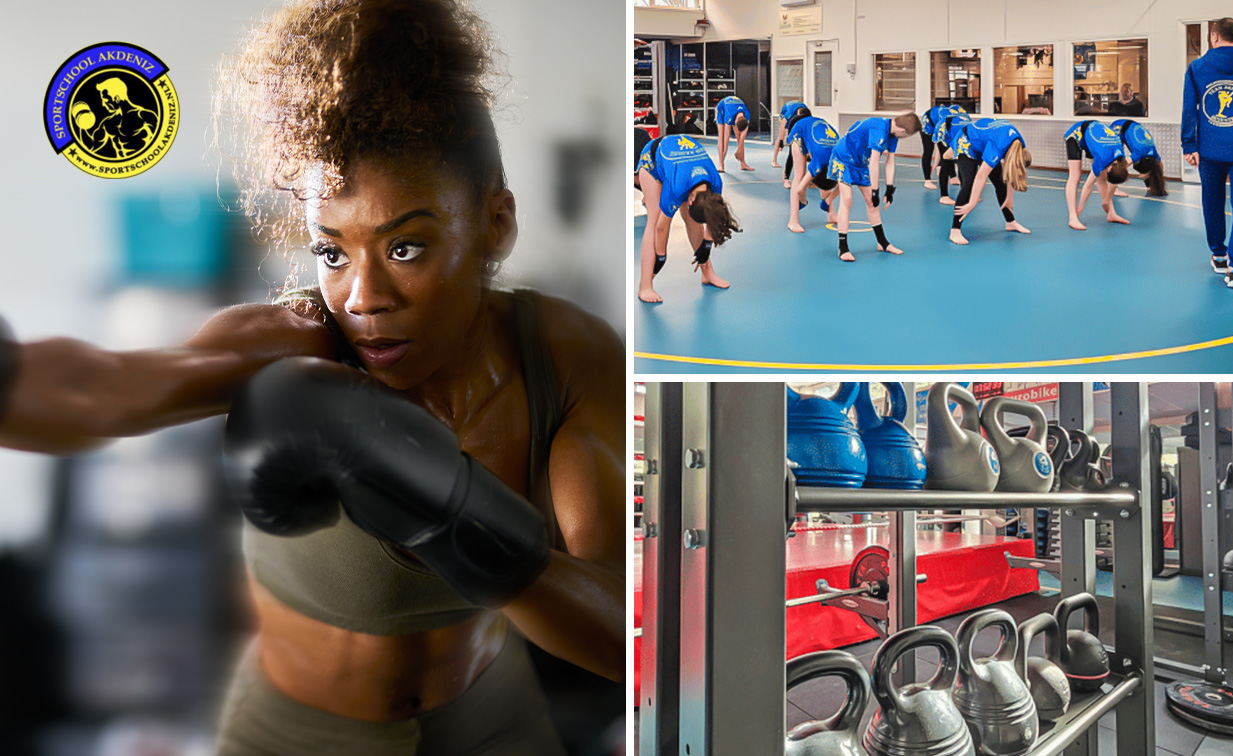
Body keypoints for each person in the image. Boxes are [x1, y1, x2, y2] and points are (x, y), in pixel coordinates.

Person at [1, 2, 625, 754]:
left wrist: (455, 512)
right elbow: (107, 386)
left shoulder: (564, 355)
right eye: (331, 253)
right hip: (299, 735)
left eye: (406, 248)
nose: (362, 297)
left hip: (490, 718)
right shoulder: (293, 346)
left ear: (495, 222)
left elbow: (625, 631)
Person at [1183, 17, 1233, 289]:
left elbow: (1190, 109)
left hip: (1211, 149)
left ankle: (1219, 255)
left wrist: (1188, 145)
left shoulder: (1197, 67)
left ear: (1214, 36)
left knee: (1212, 201)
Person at [637, 135, 739, 303]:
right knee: (654, 220)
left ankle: (707, 274)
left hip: (681, 162)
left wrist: (704, 249)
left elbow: (715, 218)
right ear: (689, 200)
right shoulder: (677, 188)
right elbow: (661, 228)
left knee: (692, 221)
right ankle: (645, 285)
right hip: (652, 160)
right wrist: (661, 257)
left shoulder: (715, 185)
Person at [826, 113, 921, 260]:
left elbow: (890, 162)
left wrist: (890, 188)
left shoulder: (893, 135)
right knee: (847, 200)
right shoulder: (879, 130)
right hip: (843, 159)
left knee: (872, 204)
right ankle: (843, 248)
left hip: (860, 163)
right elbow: (874, 163)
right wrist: (875, 191)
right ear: (902, 131)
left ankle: (882, 242)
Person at [947, 118, 1033, 245]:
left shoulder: (1019, 145)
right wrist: (972, 202)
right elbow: (981, 176)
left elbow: (1012, 171)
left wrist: (1009, 198)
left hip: (984, 144)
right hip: (967, 141)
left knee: (1000, 183)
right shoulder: (998, 147)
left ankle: (1010, 222)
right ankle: (955, 230)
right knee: (968, 185)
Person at [1063, 120, 1130, 230]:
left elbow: (1113, 183)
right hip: (1076, 134)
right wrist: (1080, 207)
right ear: (1110, 167)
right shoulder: (1103, 159)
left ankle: (1111, 213)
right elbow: (1088, 185)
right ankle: (1072, 217)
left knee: (1102, 177)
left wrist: (1106, 201)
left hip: (1094, 137)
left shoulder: (1120, 157)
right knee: (1075, 175)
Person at [786, 115, 841, 233]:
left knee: (835, 180)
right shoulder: (819, 162)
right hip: (800, 131)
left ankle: (831, 214)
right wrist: (803, 201)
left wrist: (828, 200)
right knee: (799, 175)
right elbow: (800, 189)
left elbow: (846, 182)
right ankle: (793, 221)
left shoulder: (841, 158)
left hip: (817, 134)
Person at [1110, 118, 1168, 198]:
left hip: (1134, 126)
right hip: (1119, 126)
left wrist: (1158, 180)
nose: (1138, 175)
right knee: (1117, 158)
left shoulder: (1153, 154)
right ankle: (1114, 190)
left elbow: (1160, 165)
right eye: (1140, 172)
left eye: (1140, 172)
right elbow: (1119, 166)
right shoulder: (1138, 154)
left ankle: (1150, 186)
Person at [919, 104, 966, 190]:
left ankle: (953, 177)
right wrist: (936, 165)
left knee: (948, 149)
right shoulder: (944, 127)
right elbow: (942, 151)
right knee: (928, 150)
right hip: (928, 121)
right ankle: (927, 180)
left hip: (942, 120)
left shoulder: (964, 124)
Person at [931, 110, 973, 204]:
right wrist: (936, 164)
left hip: (955, 131)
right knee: (946, 161)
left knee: (963, 163)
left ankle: (966, 193)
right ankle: (944, 196)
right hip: (944, 129)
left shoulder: (972, 136)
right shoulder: (967, 137)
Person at [714, 95, 754, 172]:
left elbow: (742, 138)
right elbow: (726, 137)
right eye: (734, 125)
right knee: (721, 137)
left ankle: (743, 163)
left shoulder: (747, 115)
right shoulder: (729, 115)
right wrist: (724, 154)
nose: (734, 126)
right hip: (722, 107)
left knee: (739, 137)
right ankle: (721, 165)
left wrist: (739, 150)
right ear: (736, 120)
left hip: (734, 107)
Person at [772, 100, 810, 168]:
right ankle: (774, 160)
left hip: (797, 111)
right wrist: (781, 141)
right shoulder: (789, 114)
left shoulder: (807, 112)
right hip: (786, 112)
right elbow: (782, 128)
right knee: (781, 136)